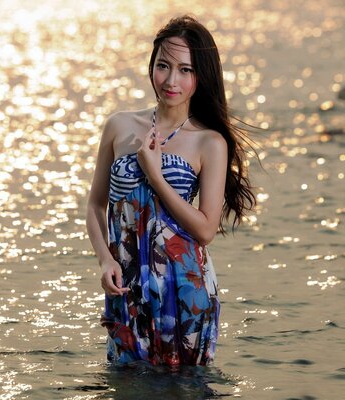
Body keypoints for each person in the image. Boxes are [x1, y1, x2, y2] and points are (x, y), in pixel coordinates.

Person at [86, 15, 256, 367]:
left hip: (185, 292)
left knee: (187, 390)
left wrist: (156, 175)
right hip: (126, 287)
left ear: (200, 77)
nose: (171, 80)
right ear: (151, 66)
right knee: (124, 384)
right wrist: (105, 259)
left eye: (185, 70)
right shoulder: (119, 126)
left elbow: (206, 230)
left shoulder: (209, 142)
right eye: (163, 66)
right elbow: (95, 204)